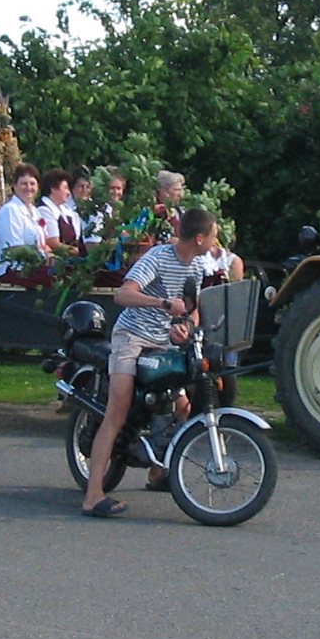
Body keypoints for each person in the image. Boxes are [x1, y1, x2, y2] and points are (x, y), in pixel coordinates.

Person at [82, 207, 220, 518]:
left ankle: (158, 472)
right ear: (199, 238)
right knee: (117, 411)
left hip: (163, 341)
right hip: (131, 336)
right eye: (213, 236)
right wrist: (162, 303)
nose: (216, 242)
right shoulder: (157, 258)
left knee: (181, 406)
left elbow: (192, 309)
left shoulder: (197, 265)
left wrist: (186, 327)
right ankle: (93, 495)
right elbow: (123, 295)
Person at [0, 163, 52, 284]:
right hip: (14, 269)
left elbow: (43, 245)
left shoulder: (35, 212)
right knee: (56, 277)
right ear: (14, 186)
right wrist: (43, 260)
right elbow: (15, 249)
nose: (28, 187)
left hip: (35, 266)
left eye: (32, 183)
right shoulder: (10, 210)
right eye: (24, 183)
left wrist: (53, 258)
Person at [36, 168, 82, 257]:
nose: (68, 193)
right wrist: (79, 252)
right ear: (53, 189)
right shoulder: (44, 210)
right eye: (65, 188)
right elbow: (53, 243)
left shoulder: (65, 209)